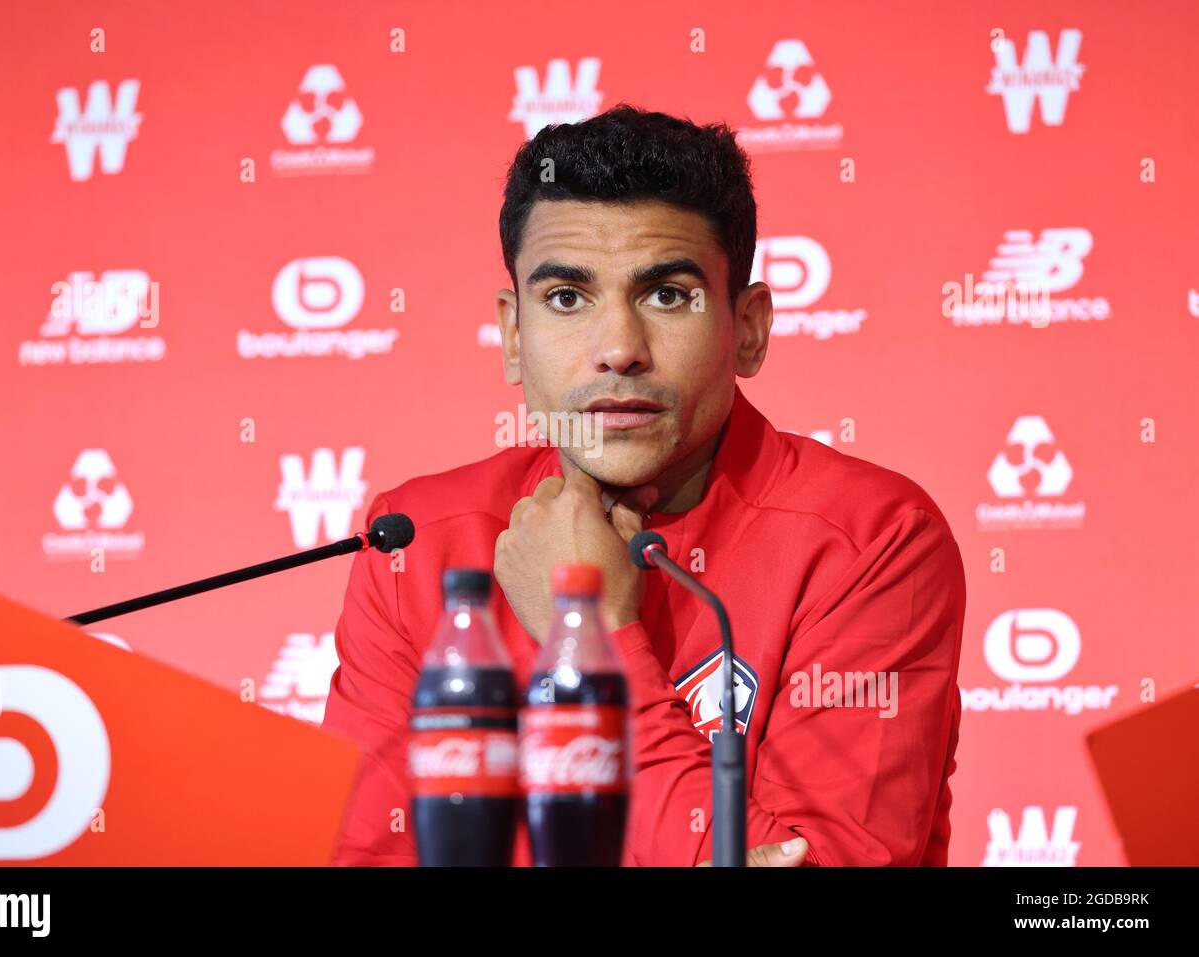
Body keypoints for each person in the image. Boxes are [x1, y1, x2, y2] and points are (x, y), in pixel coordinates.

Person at [322, 104, 966, 866]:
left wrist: (596, 638)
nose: (620, 349)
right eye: (566, 297)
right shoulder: (417, 539)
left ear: (749, 327)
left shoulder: (873, 539)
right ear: (512, 335)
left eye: (668, 295)